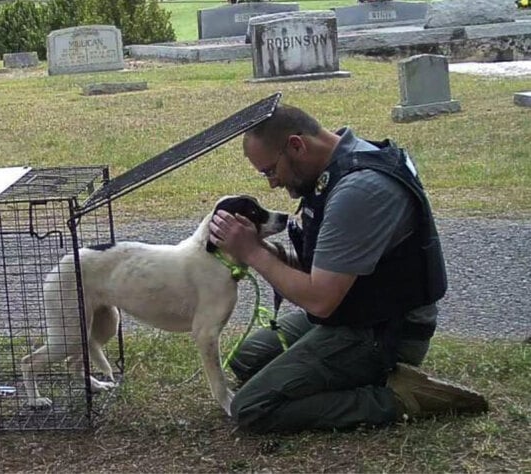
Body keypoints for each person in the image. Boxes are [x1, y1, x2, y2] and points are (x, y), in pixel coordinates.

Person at [208, 103, 488, 433]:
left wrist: (254, 253)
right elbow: (325, 270)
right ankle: (331, 375)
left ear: (297, 146)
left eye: (269, 171)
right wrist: (265, 250)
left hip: (385, 334)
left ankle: (396, 397)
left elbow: (319, 300)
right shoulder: (338, 163)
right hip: (354, 311)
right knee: (248, 358)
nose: (271, 183)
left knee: (252, 408)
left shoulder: (358, 190)